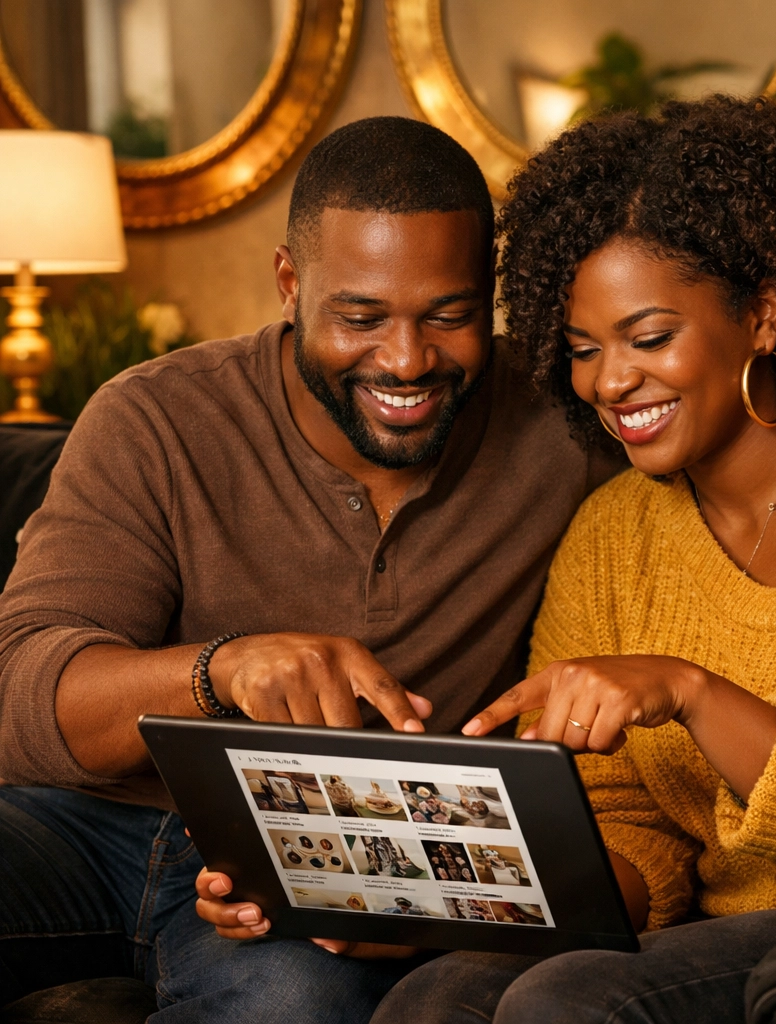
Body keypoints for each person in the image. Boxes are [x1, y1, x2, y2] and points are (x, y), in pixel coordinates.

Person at [371, 97, 776, 1024]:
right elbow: (624, 818)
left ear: (763, 316)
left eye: (649, 338)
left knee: (571, 1002)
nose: (609, 382)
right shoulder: (613, 536)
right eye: (583, 350)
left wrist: (694, 692)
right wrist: (453, 908)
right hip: (707, 936)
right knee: (439, 995)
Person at [0, 117, 621, 1022]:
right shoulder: (155, 417)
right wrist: (225, 669)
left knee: (296, 1004)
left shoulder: (567, 431)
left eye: (448, 316)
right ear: (290, 283)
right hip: (86, 826)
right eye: (361, 317)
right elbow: (19, 693)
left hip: (338, 856)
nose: (406, 361)